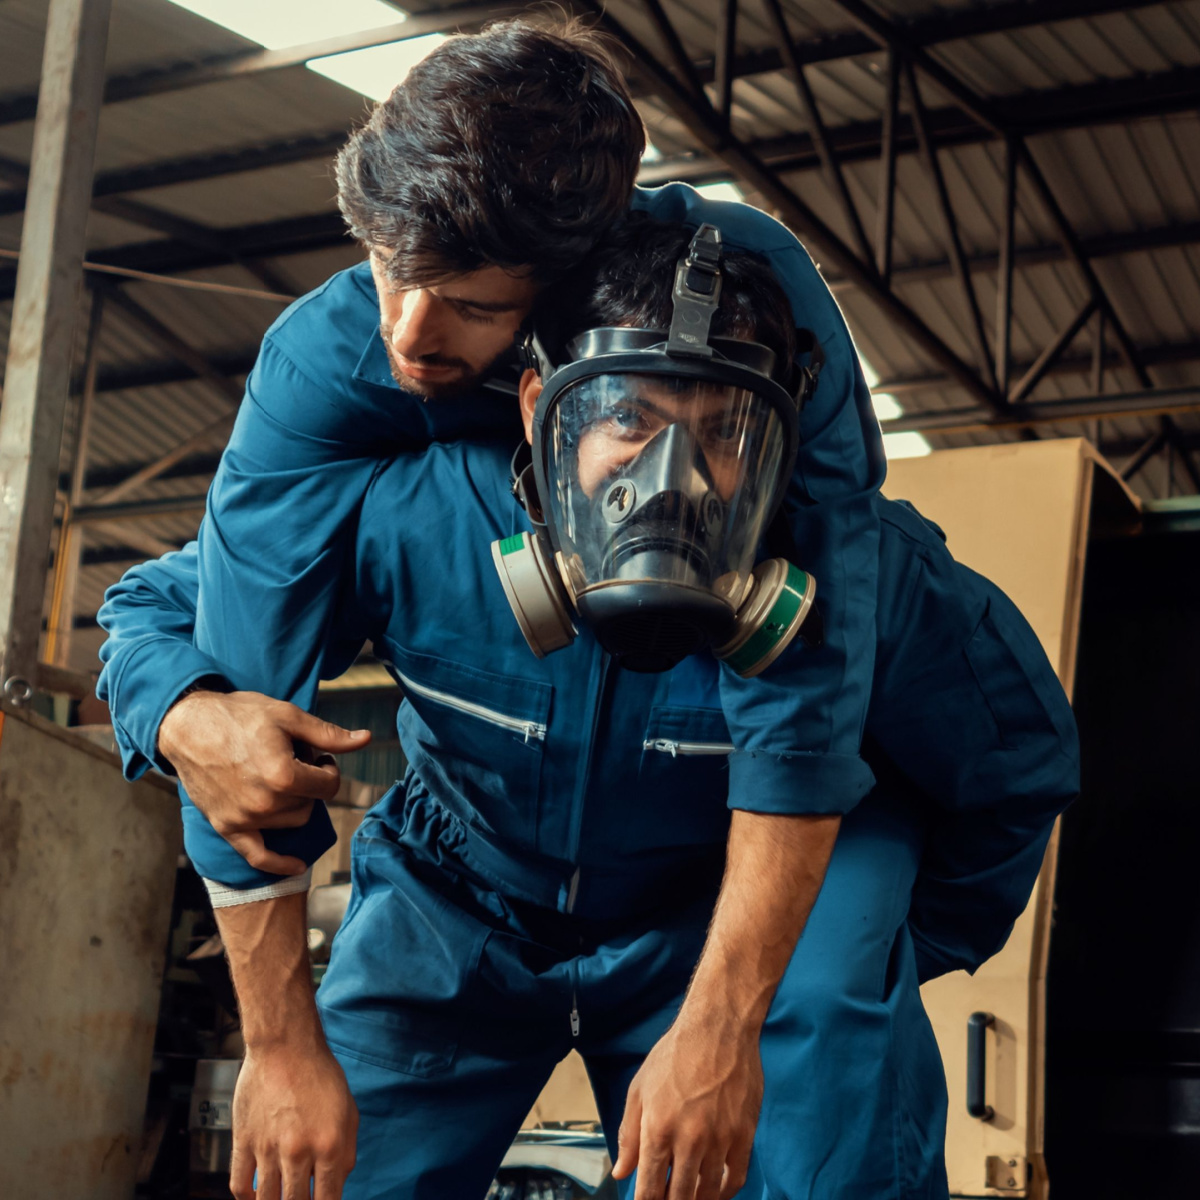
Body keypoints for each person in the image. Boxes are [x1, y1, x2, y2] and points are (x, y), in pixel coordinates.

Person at [98, 218, 1079, 1200]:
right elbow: (152, 609)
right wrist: (184, 711)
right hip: (454, 904)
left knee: (824, 1113)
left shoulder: (870, 580)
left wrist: (858, 953)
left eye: (722, 434)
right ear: (540, 408)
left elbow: (1016, 769)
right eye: (629, 419)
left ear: (782, 450)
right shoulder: (416, 517)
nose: (672, 482)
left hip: (704, 915)